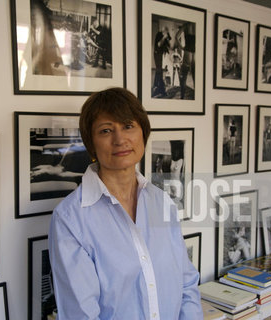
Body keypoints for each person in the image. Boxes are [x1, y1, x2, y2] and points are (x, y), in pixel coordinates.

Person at [49, 87, 202, 319]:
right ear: (91, 143)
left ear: (143, 133)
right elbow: (82, 314)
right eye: (106, 130)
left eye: (128, 126)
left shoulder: (161, 202)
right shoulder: (70, 219)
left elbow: (186, 283)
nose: (120, 139)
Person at [152, 26, 171, 98]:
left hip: (163, 54)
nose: (167, 33)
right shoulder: (159, 34)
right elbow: (159, 44)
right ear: (163, 31)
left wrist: (167, 38)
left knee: (161, 71)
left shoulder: (166, 35)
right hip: (157, 54)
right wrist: (164, 37)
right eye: (166, 32)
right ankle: (158, 87)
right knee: (159, 70)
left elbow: (169, 46)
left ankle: (160, 88)